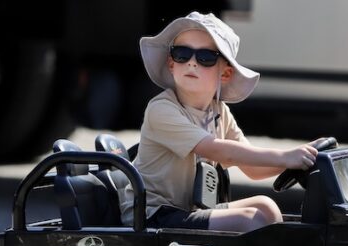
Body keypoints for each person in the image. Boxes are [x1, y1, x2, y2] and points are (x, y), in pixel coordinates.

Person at [120, 12, 318, 231]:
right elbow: (219, 151)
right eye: (182, 54)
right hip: (151, 216)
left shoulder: (219, 111)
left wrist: (300, 162)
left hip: (187, 210)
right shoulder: (161, 109)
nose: (192, 63)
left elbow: (252, 168)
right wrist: (287, 156)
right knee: (248, 220)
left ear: (225, 74)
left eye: (206, 57)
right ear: (171, 64)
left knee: (266, 206)